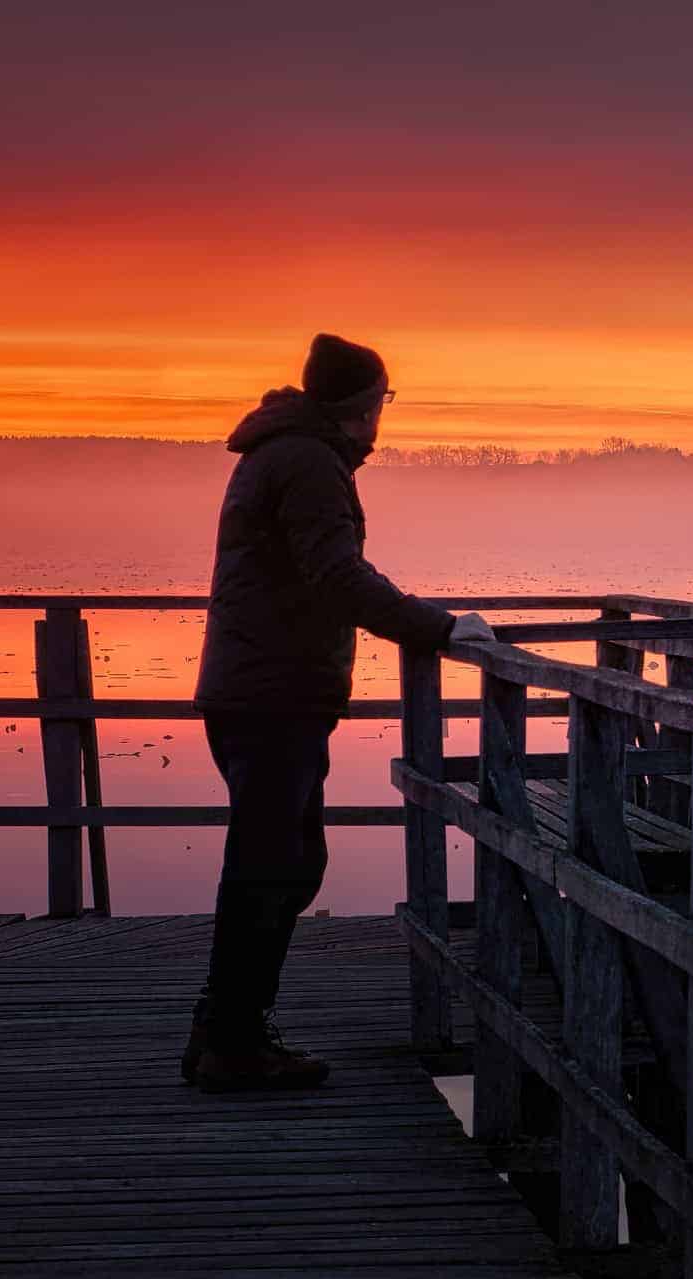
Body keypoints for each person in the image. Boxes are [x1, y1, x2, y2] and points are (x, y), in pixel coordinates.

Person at [182, 333, 495, 1092]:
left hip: (264, 689)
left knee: (284, 861)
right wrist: (439, 625)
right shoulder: (307, 463)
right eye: (381, 403)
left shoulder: (287, 454)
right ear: (360, 408)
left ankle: (228, 1031)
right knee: (271, 865)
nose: (381, 422)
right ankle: (230, 1041)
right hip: (272, 695)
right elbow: (338, 576)